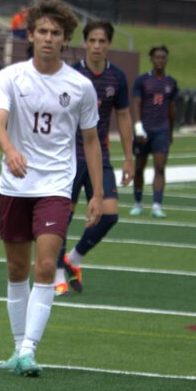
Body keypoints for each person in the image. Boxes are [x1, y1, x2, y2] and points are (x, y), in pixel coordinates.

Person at [0, 0, 103, 377]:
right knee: (17, 267)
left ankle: (30, 350)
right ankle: (17, 346)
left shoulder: (81, 86)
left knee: (47, 265)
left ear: (66, 40)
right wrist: (10, 151)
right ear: (31, 34)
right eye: (42, 31)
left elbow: (90, 141)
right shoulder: (10, 77)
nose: (48, 38)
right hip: (15, 184)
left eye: (56, 33)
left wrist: (97, 194)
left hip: (55, 184)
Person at [55, 20, 133, 296]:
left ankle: (73, 259)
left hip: (100, 155)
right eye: (93, 41)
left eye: (102, 41)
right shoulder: (71, 74)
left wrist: (129, 157)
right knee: (62, 215)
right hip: (69, 156)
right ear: (85, 43)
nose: (97, 46)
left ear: (109, 44)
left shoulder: (118, 78)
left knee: (109, 215)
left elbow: (123, 116)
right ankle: (56, 274)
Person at [131, 45, 178, 219]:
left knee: (160, 167)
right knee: (139, 168)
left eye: (163, 57)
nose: (160, 60)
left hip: (161, 130)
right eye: (157, 57)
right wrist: (137, 126)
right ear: (151, 59)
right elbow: (136, 103)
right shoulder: (142, 80)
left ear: (166, 59)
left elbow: (172, 109)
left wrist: (170, 131)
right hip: (144, 130)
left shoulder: (171, 83)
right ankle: (137, 202)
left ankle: (157, 205)